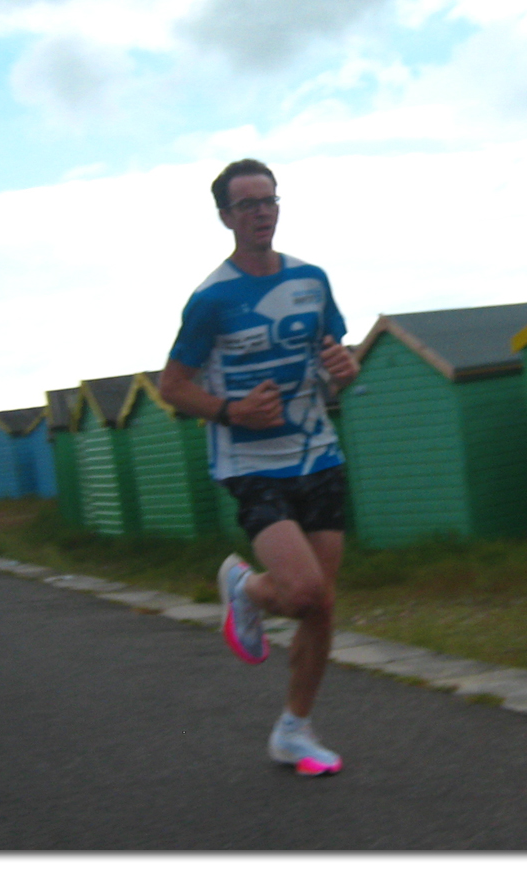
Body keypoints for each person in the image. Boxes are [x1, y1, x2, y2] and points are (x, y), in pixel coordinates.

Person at [159, 158, 359, 776]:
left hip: (317, 453)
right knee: (300, 593)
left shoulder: (312, 279)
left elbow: (333, 357)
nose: (261, 211)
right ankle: (244, 587)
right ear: (225, 217)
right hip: (250, 461)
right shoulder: (211, 299)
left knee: (321, 606)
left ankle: (294, 730)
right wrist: (232, 410)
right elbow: (172, 386)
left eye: (269, 199)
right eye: (246, 204)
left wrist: (345, 370)